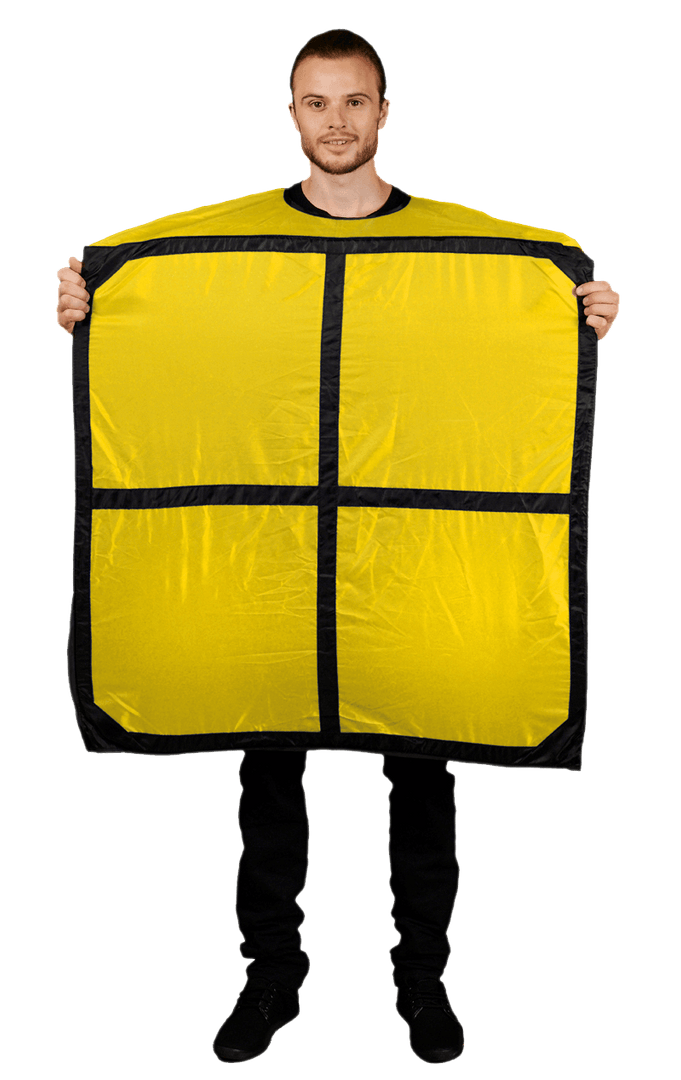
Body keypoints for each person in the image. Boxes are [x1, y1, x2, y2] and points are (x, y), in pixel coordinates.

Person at [57, 30, 620, 1066]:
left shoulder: (465, 249)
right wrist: (93, 295)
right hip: (276, 580)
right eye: (316, 103)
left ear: (385, 112)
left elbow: (502, 330)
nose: (337, 122)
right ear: (292, 115)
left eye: (355, 102)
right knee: (270, 786)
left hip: (403, 576)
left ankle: (423, 985)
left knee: (424, 782)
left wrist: (576, 307)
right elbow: (174, 324)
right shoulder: (223, 244)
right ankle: (271, 980)